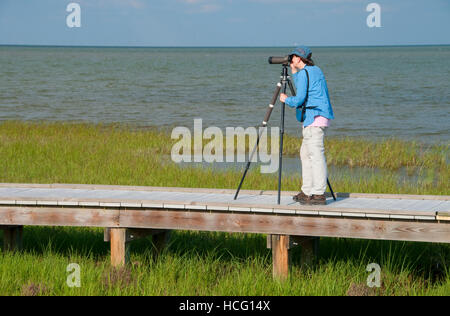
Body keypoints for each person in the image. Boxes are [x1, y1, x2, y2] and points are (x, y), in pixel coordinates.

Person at [280, 46, 334, 205]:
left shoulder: (305, 73)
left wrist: (285, 99)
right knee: (305, 153)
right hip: (319, 116)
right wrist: (294, 71)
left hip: (314, 118)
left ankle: (318, 194)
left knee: (316, 155)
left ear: (299, 58)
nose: (291, 60)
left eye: (293, 58)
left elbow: (299, 98)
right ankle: (307, 190)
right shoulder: (314, 70)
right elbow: (303, 84)